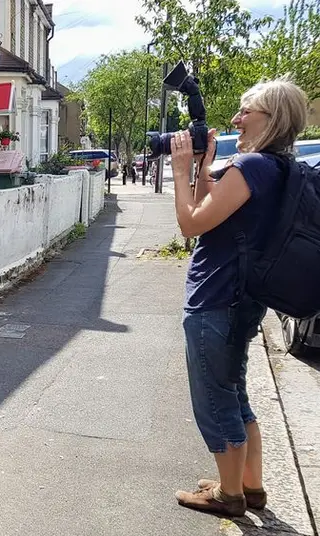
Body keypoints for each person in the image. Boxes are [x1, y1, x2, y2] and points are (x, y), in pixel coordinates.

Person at [170, 78, 308, 517]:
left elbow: (191, 224)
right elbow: (210, 214)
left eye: (246, 111)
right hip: (242, 298)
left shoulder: (251, 167)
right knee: (234, 392)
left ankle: (229, 495)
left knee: (216, 399)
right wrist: (203, 169)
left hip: (217, 298)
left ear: (273, 118)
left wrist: (178, 171)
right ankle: (250, 485)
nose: (236, 119)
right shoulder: (278, 168)